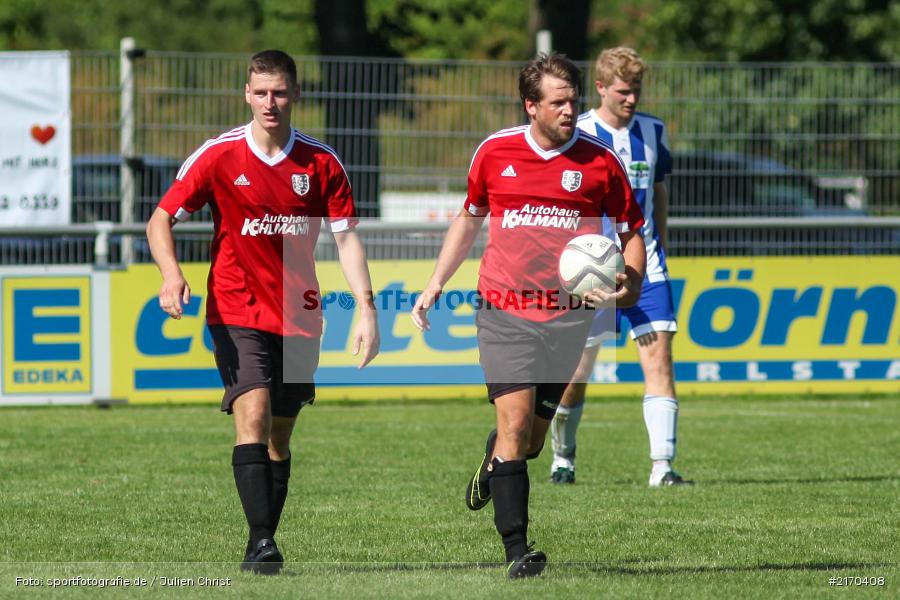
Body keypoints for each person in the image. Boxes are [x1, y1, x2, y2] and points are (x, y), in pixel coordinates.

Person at [411, 53, 646, 579]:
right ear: (531, 105)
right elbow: (468, 221)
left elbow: (631, 229)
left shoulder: (600, 161)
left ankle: (493, 462)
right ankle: (518, 549)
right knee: (516, 426)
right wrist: (435, 283)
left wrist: (629, 281)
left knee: (531, 441)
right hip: (504, 310)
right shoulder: (495, 153)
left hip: (568, 316)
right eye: (558, 102)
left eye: (574, 101)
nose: (570, 110)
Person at [146, 49, 380, 574]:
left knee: (280, 433)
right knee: (250, 416)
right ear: (246, 95)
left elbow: (346, 241)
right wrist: (171, 274)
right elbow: (160, 220)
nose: (269, 102)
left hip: (300, 314)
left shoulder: (321, 163)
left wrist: (366, 308)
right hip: (235, 308)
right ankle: (260, 543)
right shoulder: (218, 155)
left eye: (279, 92)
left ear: (295, 94)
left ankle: (263, 541)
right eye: (260, 92)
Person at [550, 47, 691, 487]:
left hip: (645, 266)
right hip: (590, 270)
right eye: (623, 92)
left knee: (659, 360)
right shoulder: (580, 134)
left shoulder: (654, 131)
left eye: (637, 92)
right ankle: (563, 459)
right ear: (601, 89)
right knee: (576, 374)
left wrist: (660, 246)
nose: (632, 100)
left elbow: (660, 192)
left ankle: (662, 468)